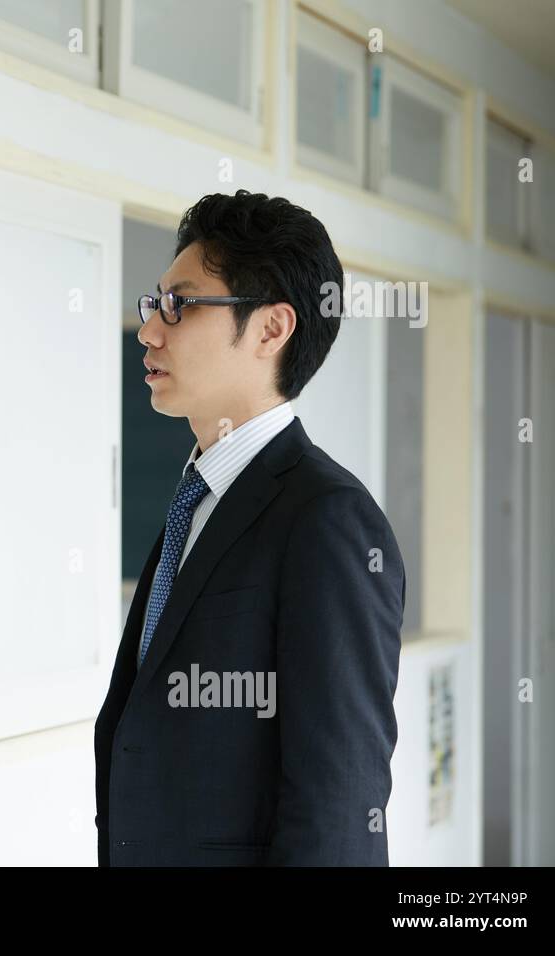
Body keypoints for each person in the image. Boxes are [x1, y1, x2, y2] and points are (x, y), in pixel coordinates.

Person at [95, 190, 405, 865]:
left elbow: (340, 803)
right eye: (155, 306)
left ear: (271, 329)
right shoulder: (198, 499)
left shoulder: (327, 521)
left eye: (180, 305)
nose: (149, 330)